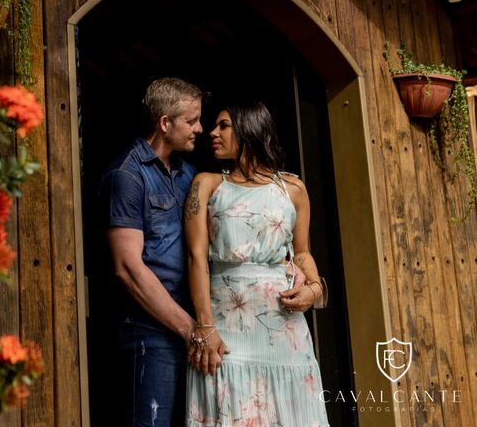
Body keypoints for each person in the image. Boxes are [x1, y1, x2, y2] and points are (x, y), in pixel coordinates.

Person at [183, 100, 329, 426]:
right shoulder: (207, 185)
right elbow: (196, 258)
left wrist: (315, 290)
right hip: (224, 331)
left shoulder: (292, 189)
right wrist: (205, 327)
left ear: (249, 129)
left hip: (284, 332)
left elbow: (302, 253)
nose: (212, 132)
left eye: (223, 125)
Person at [100, 77, 204, 427]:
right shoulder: (127, 175)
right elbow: (128, 268)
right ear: (165, 124)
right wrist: (190, 328)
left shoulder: (189, 174)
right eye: (191, 121)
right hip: (149, 334)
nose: (199, 129)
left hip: (190, 328)